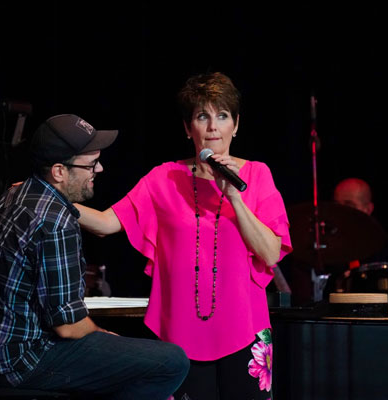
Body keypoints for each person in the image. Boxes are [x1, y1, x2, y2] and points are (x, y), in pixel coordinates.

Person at [75, 73, 293, 399]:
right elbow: (106, 223)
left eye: (222, 116)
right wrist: (50, 197)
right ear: (188, 127)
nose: (212, 128)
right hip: (181, 336)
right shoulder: (164, 178)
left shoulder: (256, 175)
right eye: (202, 117)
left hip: (246, 332)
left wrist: (235, 198)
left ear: (236, 124)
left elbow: (271, 253)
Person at [0, 114, 189, 399]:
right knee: (170, 362)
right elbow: (68, 326)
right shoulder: (55, 221)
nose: (100, 169)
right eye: (91, 164)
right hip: (18, 362)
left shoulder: (15, 193)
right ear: (59, 171)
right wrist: (103, 336)